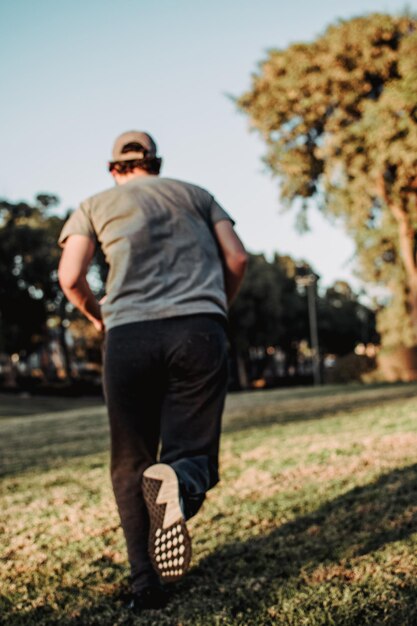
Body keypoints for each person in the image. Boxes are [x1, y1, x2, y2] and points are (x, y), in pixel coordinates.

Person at [58, 131, 247, 611]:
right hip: (198, 331)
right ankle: (178, 483)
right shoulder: (197, 195)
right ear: (156, 163)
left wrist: (100, 316)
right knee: (192, 454)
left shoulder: (94, 203)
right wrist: (215, 305)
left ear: (113, 168)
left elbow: (70, 275)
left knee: (129, 460)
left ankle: (146, 583)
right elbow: (237, 257)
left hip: (129, 336)